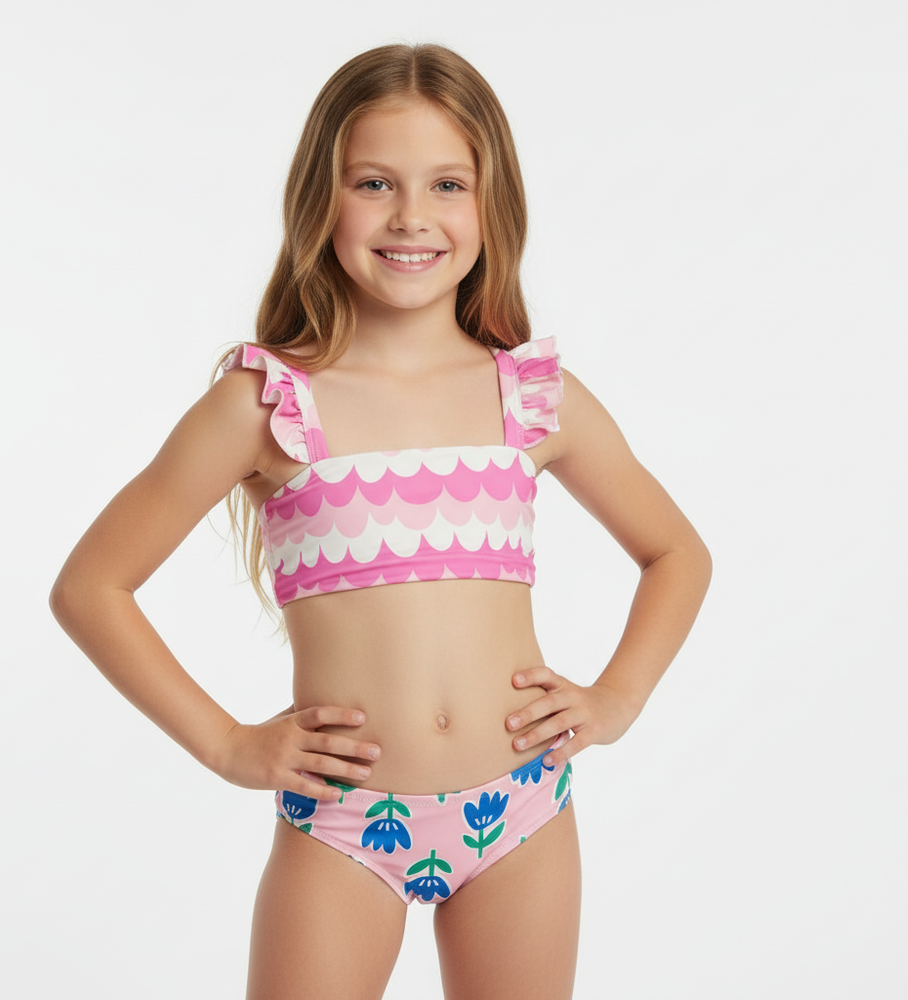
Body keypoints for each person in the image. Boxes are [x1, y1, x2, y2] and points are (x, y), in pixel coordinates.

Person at [50, 43, 711, 1000]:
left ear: (492, 204)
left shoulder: (531, 398)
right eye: (374, 183)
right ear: (320, 200)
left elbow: (677, 552)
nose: (410, 216)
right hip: (343, 824)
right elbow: (91, 587)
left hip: (523, 811)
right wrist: (228, 744)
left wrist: (616, 699)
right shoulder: (266, 405)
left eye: (447, 183)